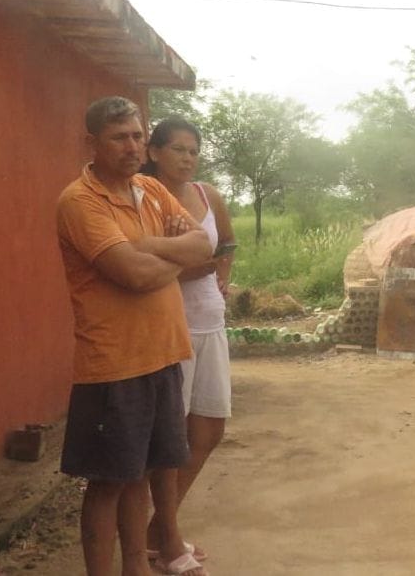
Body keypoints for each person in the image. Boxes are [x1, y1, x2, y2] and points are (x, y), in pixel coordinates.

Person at [55, 97, 212, 576]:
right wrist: (167, 257)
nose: (132, 146)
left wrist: (147, 248)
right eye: (119, 137)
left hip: (162, 354)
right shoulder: (80, 201)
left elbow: (204, 244)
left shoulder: (149, 189)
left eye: (138, 135)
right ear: (92, 142)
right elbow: (133, 275)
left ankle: (135, 568)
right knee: (107, 482)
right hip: (114, 364)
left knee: (141, 473)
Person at [140, 118, 235, 567]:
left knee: (210, 427)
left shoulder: (205, 195)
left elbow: (227, 244)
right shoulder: (139, 196)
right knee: (170, 437)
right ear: (155, 152)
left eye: (194, 150)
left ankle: (158, 529)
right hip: (164, 326)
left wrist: (220, 278)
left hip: (210, 323)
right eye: (178, 149)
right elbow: (137, 256)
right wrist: (185, 267)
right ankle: (167, 541)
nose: (188, 158)